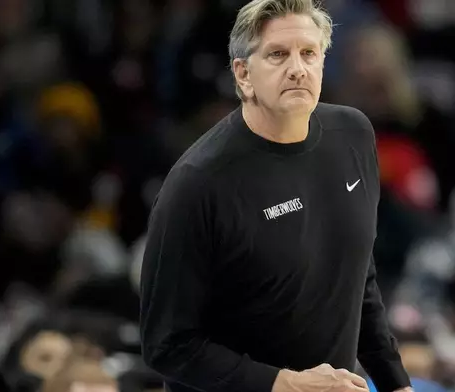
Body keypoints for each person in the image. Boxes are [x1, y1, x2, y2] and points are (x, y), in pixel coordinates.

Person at [138, 0, 413, 392]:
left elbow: (355, 277)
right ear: (243, 74)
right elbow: (166, 344)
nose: (297, 68)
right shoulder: (197, 182)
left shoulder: (353, 135)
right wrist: (285, 384)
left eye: (309, 53)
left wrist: (395, 383)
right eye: (278, 55)